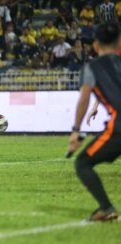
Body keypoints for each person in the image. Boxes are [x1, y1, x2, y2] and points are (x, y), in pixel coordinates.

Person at [67, 23, 121, 222]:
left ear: (96, 45)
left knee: (83, 163)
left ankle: (106, 208)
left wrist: (76, 131)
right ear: (119, 43)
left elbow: (84, 98)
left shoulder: (91, 68)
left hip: (118, 128)